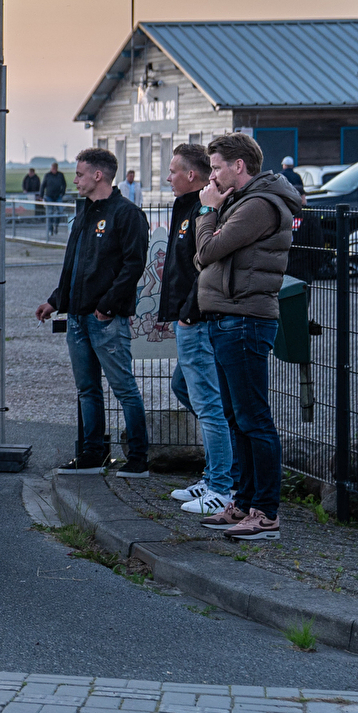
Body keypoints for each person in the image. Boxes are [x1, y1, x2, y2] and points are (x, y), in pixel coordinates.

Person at [194, 132, 305, 542]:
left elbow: (207, 252)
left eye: (217, 167)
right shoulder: (241, 202)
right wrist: (213, 218)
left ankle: (265, 513)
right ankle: (242, 503)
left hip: (244, 320)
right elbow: (206, 255)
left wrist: (208, 211)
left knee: (254, 419)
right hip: (228, 318)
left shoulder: (258, 205)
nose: (212, 176)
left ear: (238, 166)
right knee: (237, 418)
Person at [35, 147, 150, 478]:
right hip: (76, 318)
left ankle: (138, 459)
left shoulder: (127, 214)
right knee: (87, 389)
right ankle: (92, 455)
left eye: (79, 174)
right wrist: (56, 300)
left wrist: (106, 307)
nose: (75, 180)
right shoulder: (84, 212)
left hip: (105, 320)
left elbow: (133, 266)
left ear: (98, 175)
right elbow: (72, 264)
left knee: (124, 388)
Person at [157, 144, 235, 516]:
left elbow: (206, 267)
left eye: (173, 171)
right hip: (189, 318)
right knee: (184, 388)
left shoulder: (206, 209)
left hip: (199, 321)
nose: (167, 177)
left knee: (209, 405)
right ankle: (219, 473)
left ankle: (222, 486)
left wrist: (189, 313)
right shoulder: (186, 207)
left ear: (191, 175)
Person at [40, 161, 67, 234]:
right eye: (53, 168)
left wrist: (62, 193)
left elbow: (64, 184)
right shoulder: (47, 175)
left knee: (60, 212)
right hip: (49, 196)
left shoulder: (60, 175)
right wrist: (41, 196)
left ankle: (56, 225)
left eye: (55, 168)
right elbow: (43, 185)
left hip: (58, 196)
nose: (54, 169)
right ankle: (50, 229)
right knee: (50, 213)